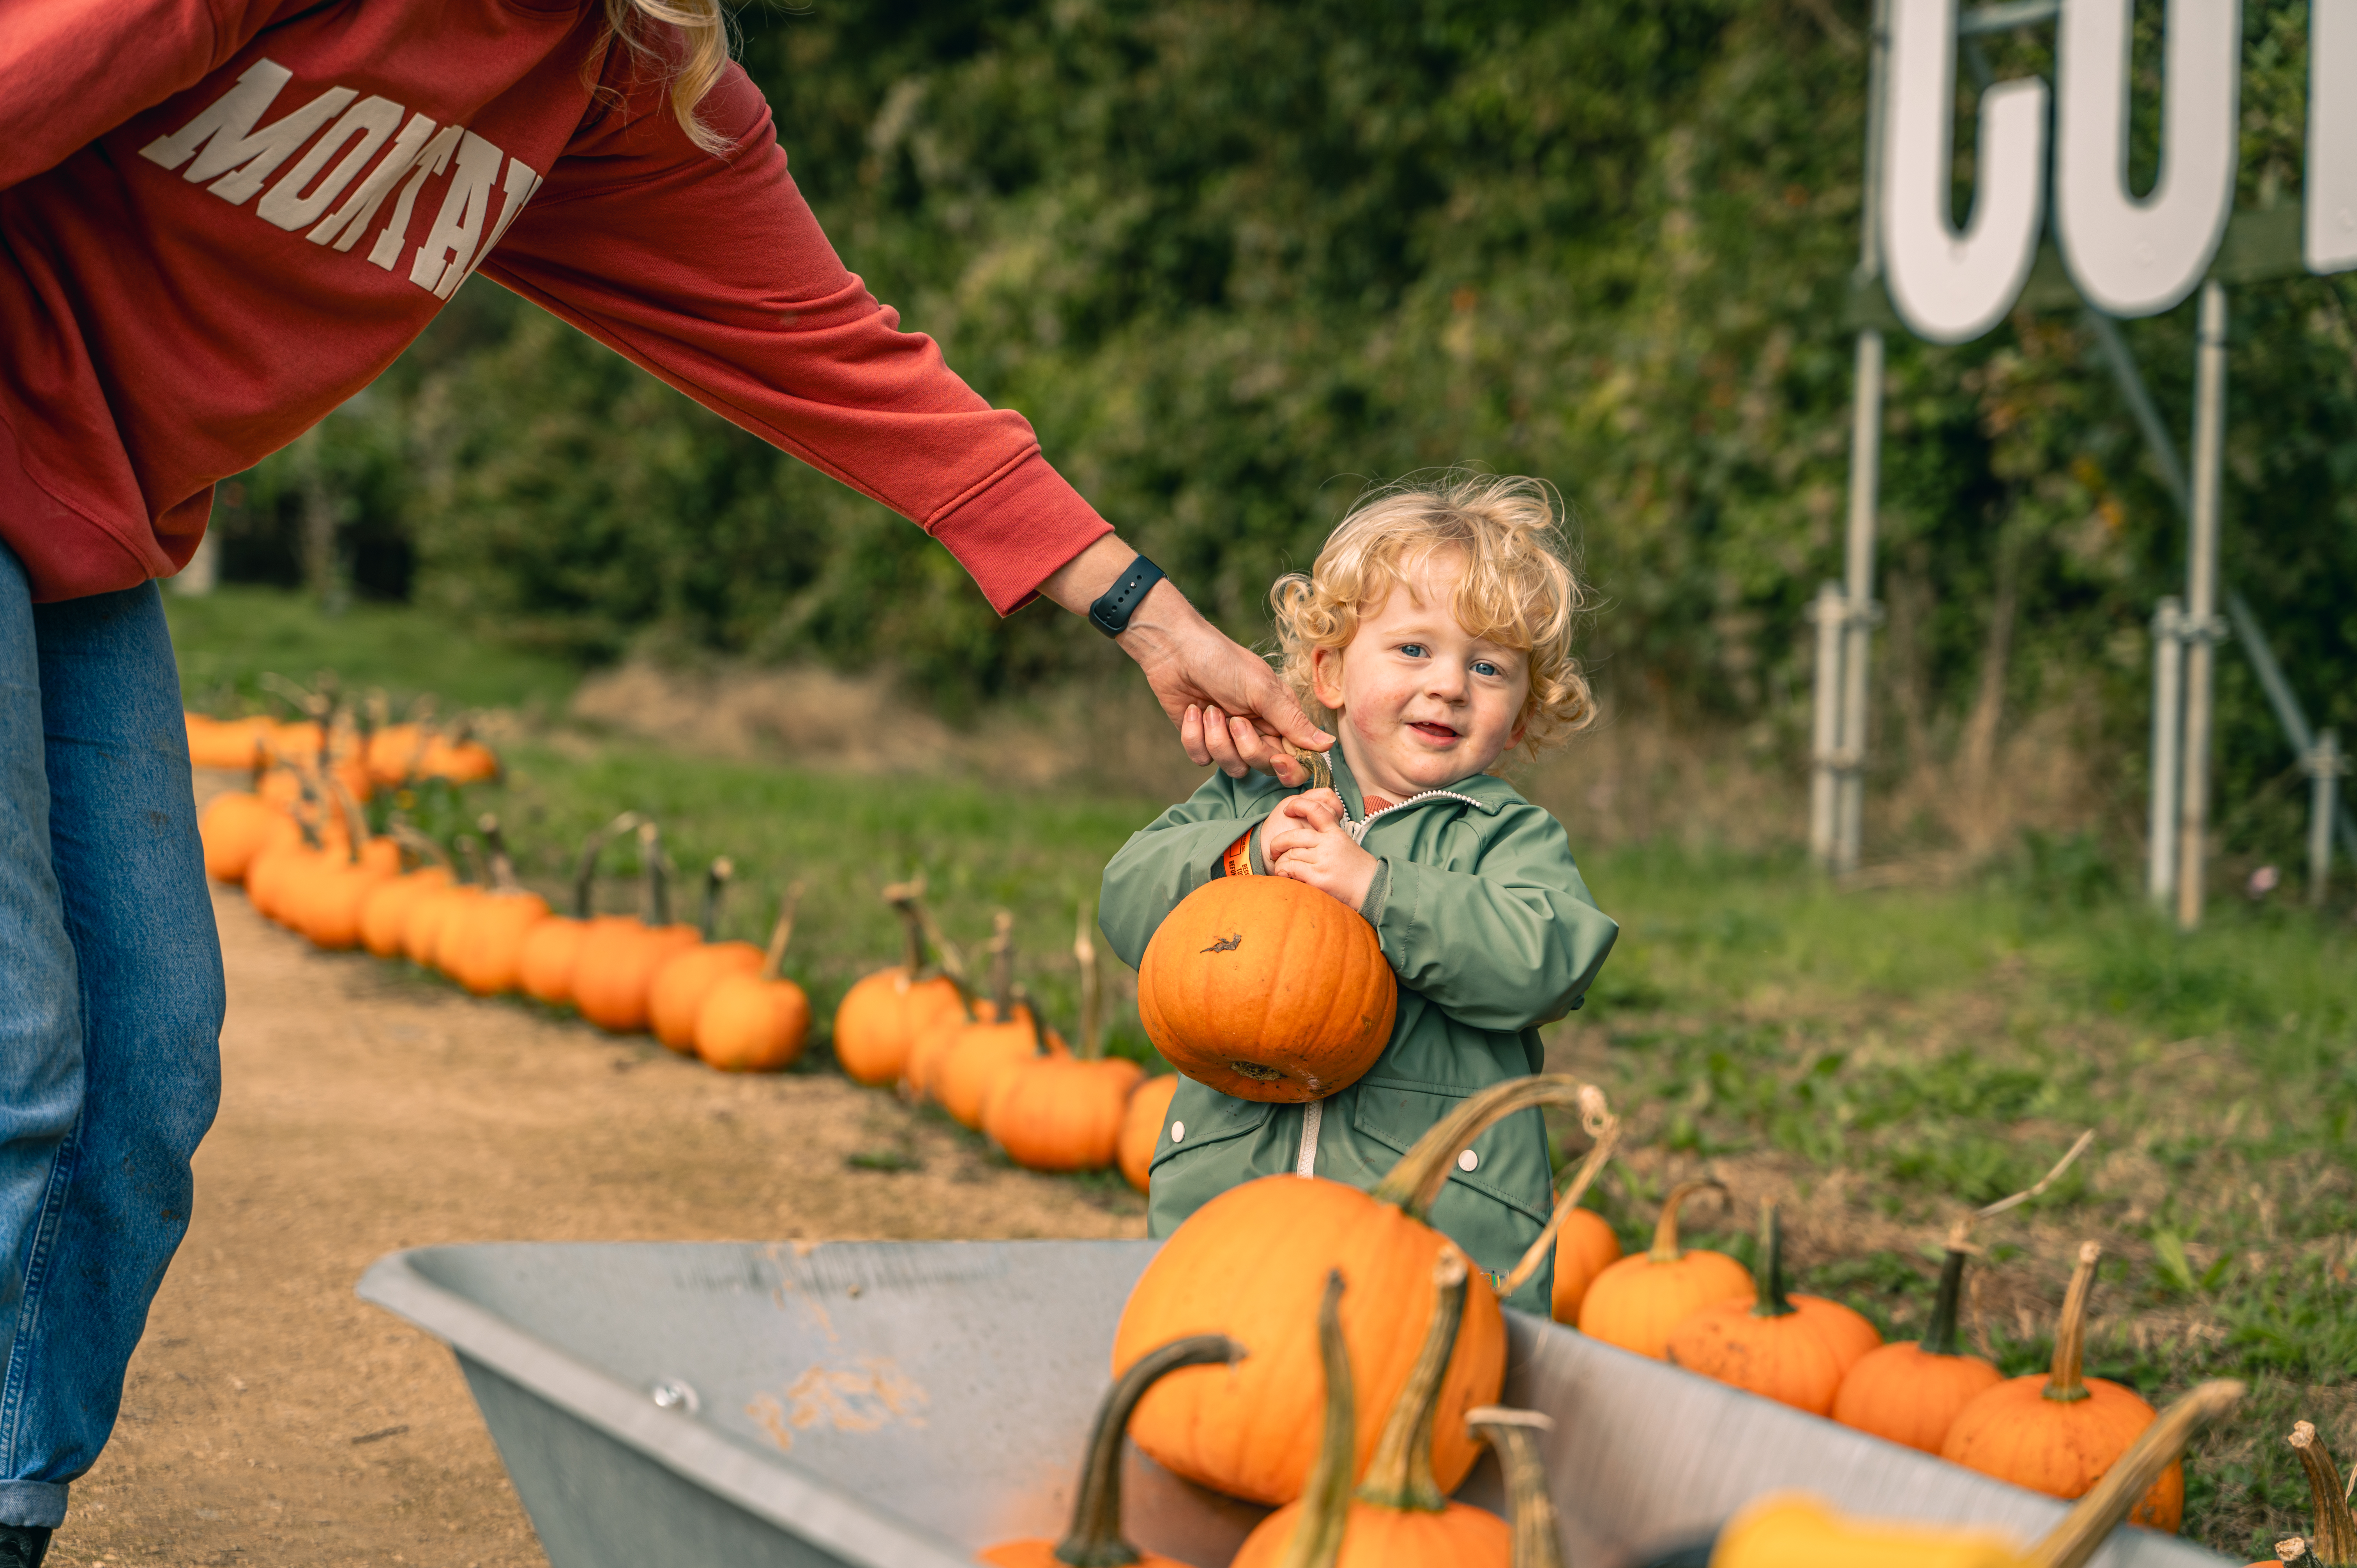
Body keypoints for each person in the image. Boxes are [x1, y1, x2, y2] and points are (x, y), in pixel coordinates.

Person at [0, 3, 1322, 1558]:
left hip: (79, 520)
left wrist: (1150, 616)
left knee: (146, 1067)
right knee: (18, 1047)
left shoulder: (625, 81)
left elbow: (832, 353)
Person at [1098, 471, 1620, 1314]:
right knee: (1224, 1362)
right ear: (1331, 671)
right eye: (1414, 649)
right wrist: (1248, 853)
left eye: (1489, 667)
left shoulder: (1504, 837)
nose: (1450, 685)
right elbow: (1127, 903)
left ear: (1522, 716)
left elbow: (1547, 959)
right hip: (1230, 1208)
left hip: (1435, 1238)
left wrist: (1381, 891)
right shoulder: (1259, 795)